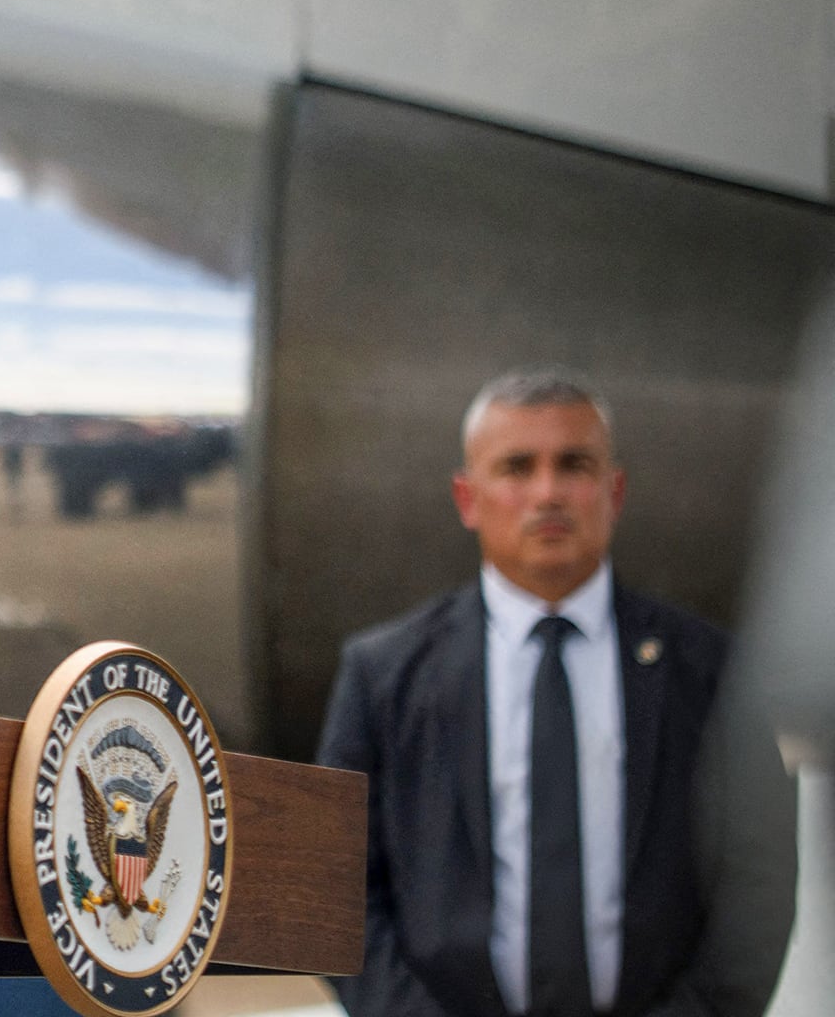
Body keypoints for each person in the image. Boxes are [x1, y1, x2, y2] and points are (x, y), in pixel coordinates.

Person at [316, 369, 796, 1017]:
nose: (547, 493)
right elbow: (336, 897)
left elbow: (760, 885)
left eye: (574, 465)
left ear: (614, 490)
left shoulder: (710, 673)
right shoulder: (382, 675)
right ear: (467, 497)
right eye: (516, 468)